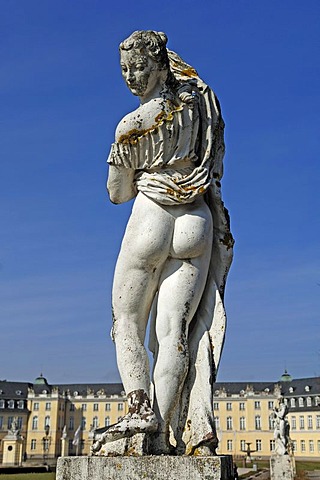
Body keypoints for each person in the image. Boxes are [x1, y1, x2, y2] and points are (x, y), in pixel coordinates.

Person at [93, 30, 233, 456]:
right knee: (176, 330)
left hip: (152, 216)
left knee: (127, 321)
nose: (131, 78)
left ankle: (139, 408)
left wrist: (122, 164)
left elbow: (118, 193)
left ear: (157, 65)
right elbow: (218, 164)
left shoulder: (132, 125)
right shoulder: (203, 102)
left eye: (138, 68)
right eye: (124, 70)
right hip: (198, 219)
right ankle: (164, 433)